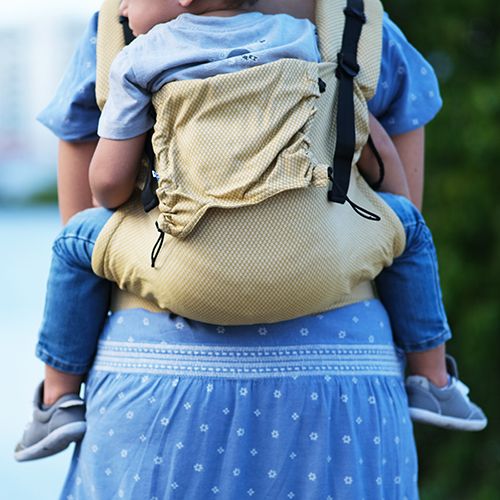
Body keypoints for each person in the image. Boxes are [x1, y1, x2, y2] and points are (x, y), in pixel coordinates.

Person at [14, 0, 483, 496]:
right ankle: (434, 382)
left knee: (77, 243)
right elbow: (398, 199)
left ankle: (55, 400)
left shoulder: (118, 36)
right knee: (407, 229)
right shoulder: (351, 28)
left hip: (157, 390)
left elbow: (100, 198)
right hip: (341, 387)